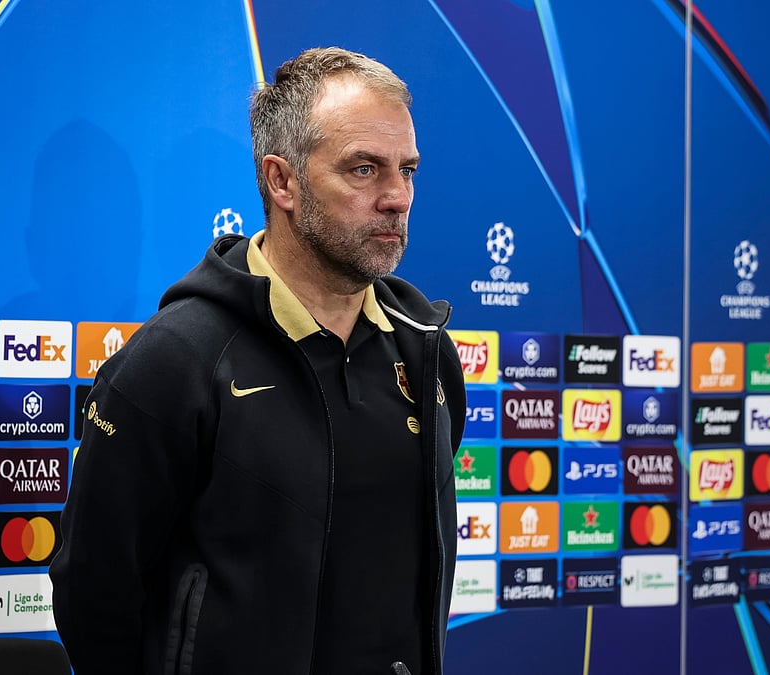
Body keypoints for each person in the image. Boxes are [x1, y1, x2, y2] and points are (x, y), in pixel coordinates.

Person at [50, 46, 466, 675]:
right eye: (363, 170)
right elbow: (96, 593)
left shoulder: (426, 351)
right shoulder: (178, 358)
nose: (397, 197)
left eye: (406, 170)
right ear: (282, 181)